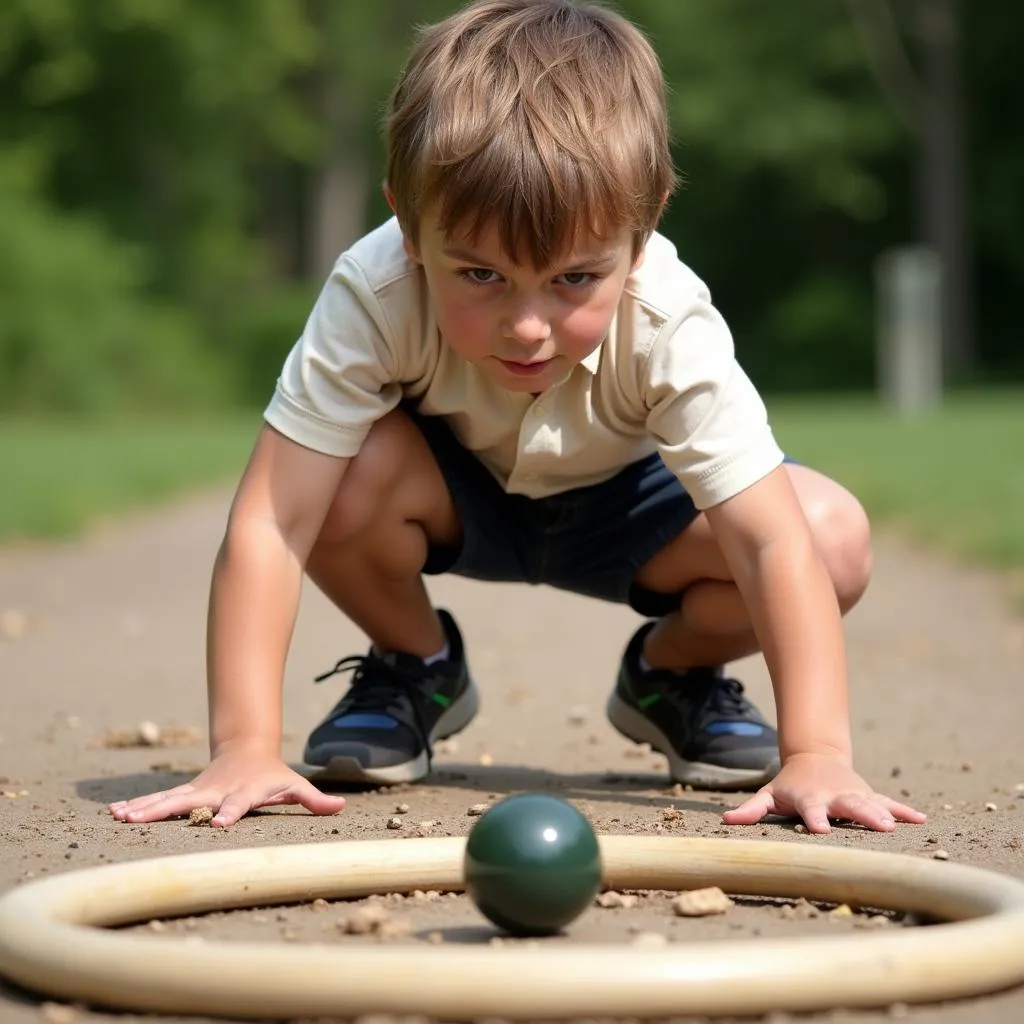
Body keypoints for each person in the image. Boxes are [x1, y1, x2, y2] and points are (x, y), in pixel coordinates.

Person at [110, 0, 926, 835]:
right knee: (330, 476)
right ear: (410, 227)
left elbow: (768, 539)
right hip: (446, 494)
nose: (528, 325)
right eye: (481, 276)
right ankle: (417, 664)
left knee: (830, 539)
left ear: (640, 239)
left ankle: (672, 677)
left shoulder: (669, 318)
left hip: (634, 509)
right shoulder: (374, 289)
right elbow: (275, 520)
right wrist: (244, 742)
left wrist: (817, 750)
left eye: (574, 279)